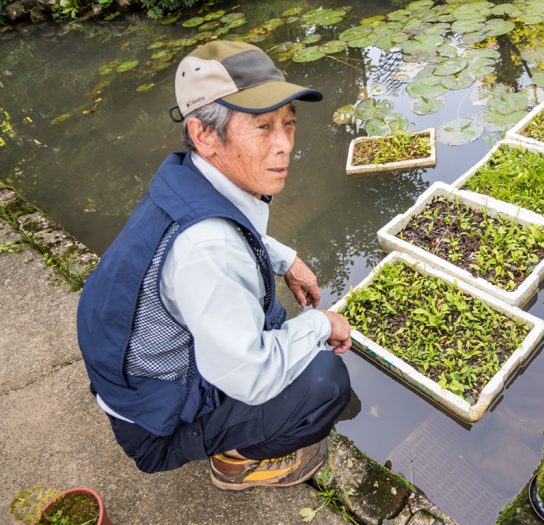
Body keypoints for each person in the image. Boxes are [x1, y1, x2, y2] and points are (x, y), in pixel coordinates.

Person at [76, 40, 353, 491]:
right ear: (205, 134)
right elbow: (253, 374)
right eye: (262, 127)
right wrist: (322, 324)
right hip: (153, 428)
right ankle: (233, 462)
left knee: (275, 319)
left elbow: (228, 224)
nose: (285, 147)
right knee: (324, 382)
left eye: (289, 124)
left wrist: (287, 260)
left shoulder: (188, 177)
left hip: (134, 378)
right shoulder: (206, 250)